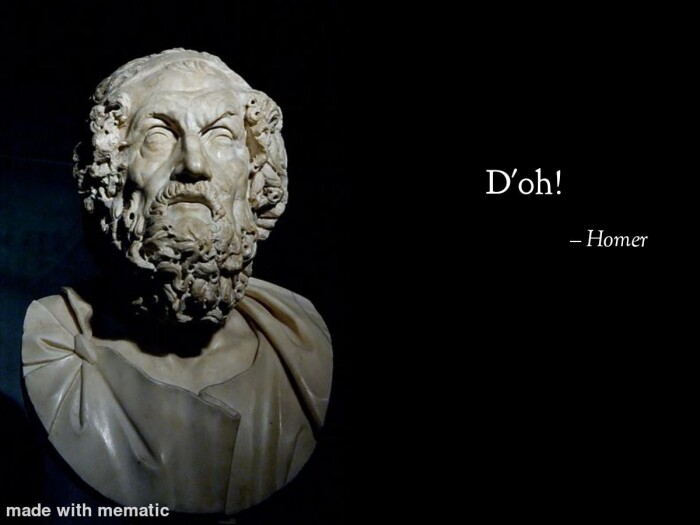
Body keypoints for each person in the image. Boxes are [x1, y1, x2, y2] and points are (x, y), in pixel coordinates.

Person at [21, 49, 332, 515]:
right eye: (159, 136)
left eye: (220, 135)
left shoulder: (302, 342)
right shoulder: (55, 344)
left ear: (255, 174)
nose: (193, 164)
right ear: (112, 172)